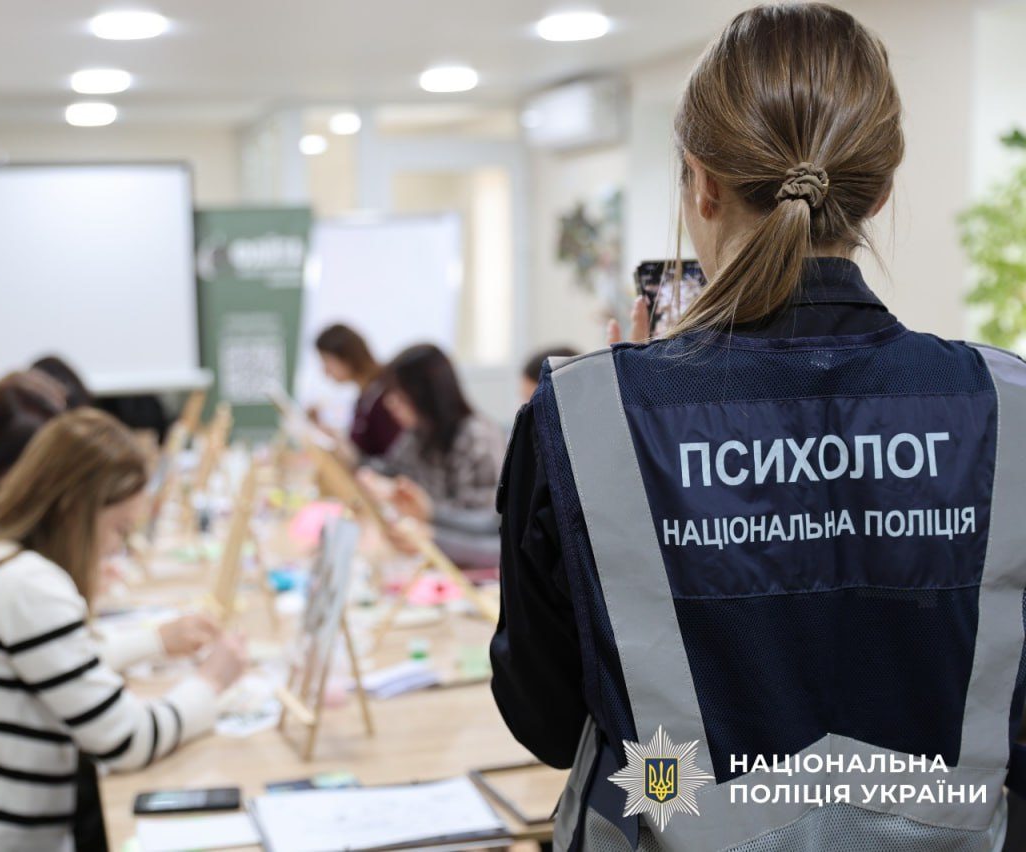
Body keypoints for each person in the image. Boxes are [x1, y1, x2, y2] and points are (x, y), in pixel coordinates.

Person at [493, 5, 1026, 850]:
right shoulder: (1008, 407)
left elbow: (549, 720)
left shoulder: (589, 420)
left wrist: (639, 413)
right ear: (881, 190)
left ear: (701, 184)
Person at [0, 409, 246, 851]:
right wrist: (210, 682)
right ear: (75, 512)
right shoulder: (28, 586)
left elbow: (59, 663)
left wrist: (154, 642)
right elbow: (126, 740)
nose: (117, 548)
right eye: (118, 529)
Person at [362, 344, 504, 569]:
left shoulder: (477, 437)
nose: (389, 403)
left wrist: (429, 518)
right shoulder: (418, 433)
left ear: (425, 394)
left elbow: (488, 523)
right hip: (432, 557)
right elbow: (390, 468)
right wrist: (370, 475)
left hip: (465, 566)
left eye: (398, 394)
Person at [314, 324, 401, 460]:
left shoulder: (384, 396)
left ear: (346, 358)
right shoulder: (365, 396)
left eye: (327, 361)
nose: (325, 371)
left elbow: (388, 458)